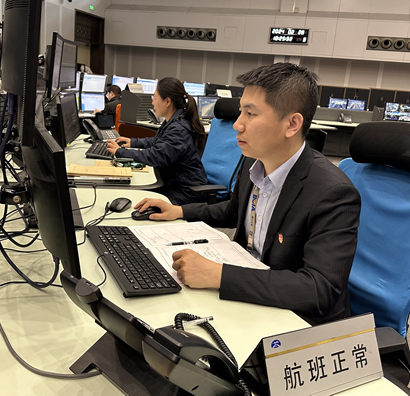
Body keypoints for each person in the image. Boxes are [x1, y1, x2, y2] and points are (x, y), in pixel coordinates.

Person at [133, 63, 361, 324]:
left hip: (297, 319)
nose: (237, 125)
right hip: (251, 295)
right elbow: (232, 211)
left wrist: (219, 275)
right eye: (241, 111)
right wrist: (179, 211)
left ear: (292, 124)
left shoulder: (333, 193)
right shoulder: (253, 162)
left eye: (250, 114)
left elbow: (320, 291)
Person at [106, 77, 209, 205]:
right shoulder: (174, 121)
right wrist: (133, 142)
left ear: (167, 101)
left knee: (138, 203)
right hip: (175, 184)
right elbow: (158, 142)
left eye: (155, 98)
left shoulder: (179, 128)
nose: (152, 102)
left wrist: (120, 152)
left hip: (186, 192)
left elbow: (156, 156)